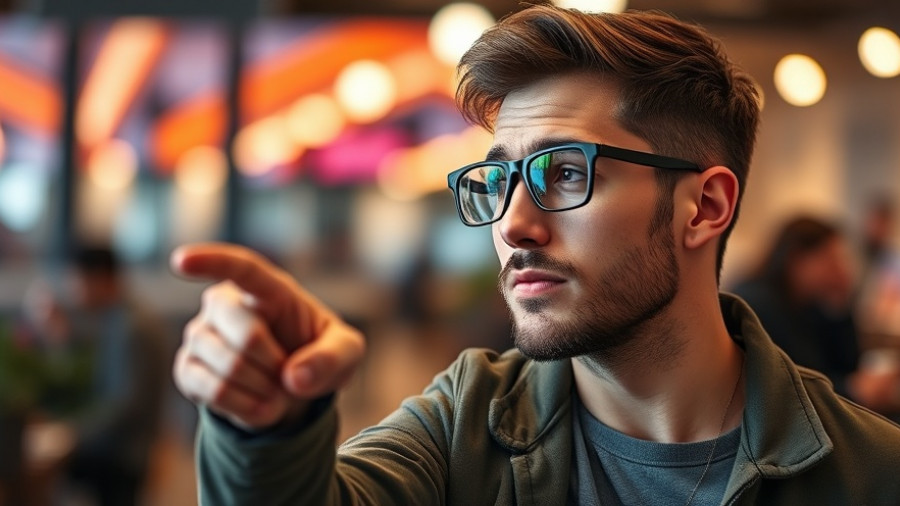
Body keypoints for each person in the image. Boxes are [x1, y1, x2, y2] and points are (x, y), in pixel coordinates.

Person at [170, 6, 900, 505]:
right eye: (499, 178)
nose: (514, 225)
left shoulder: (866, 471)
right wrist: (267, 433)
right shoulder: (465, 426)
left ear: (703, 208)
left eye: (566, 173)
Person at [25, 246, 169, 505]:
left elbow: (127, 407)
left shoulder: (133, 326)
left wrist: (70, 434)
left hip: (121, 454)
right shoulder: (117, 318)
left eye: (77, 281)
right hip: (114, 448)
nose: (74, 291)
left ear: (101, 279)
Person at [732, 216, 900, 415]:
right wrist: (853, 390)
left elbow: (848, 364)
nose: (839, 269)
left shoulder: (808, 304)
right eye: (830, 259)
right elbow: (793, 384)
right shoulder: (760, 303)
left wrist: (840, 304)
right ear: (797, 259)